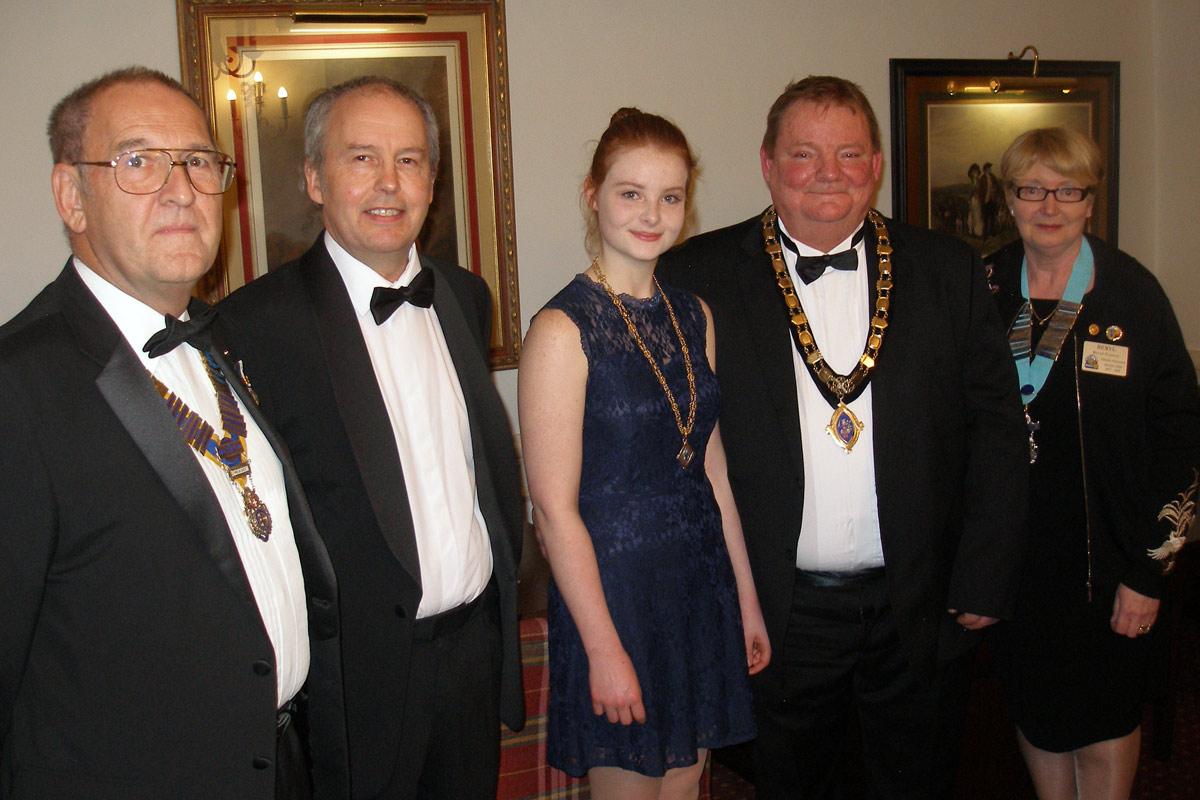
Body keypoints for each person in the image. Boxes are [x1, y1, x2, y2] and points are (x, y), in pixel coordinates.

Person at [658, 75, 1029, 798]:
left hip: (919, 603)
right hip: (778, 609)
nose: (829, 173)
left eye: (850, 154)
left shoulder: (947, 270)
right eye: (804, 154)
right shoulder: (696, 275)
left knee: (917, 780)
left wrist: (985, 571)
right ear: (767, 163)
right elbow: (674, 453)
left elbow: (996, 431)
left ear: (877, 165)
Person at [0, 67, 348, 800]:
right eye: (138, 161)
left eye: (197, 161)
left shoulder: (217, 341)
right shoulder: (18, 386)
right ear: (72, 197)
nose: (181, 188)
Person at [216, 76, 524, 800]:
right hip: (354, 683)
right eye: (361, 158)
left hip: (471, 658)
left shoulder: (463, 295)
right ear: (315, 179)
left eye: (410, 160)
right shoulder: (253, 327)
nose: (390, 183)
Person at [520, 108, 769, 800]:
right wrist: (603, 650)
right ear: (592, 194)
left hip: (698, 590)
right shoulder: (562, 329)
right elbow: (553, 510)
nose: (651, 213)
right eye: (631, 193)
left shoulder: (696, 314)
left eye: (670, 196)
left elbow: (712, 471)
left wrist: (745, 601)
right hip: (617, 600)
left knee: (689, 786)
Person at [985, 126, 1200, 800]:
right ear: (1009, 199)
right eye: (1031, 189)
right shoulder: (982, 287)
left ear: (1089, 199)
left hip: (1109, 564)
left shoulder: (1131, 295)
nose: (1049, 205)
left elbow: (1180, 442)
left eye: (1067, 190)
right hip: (1016, 566)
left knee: (1104, 724)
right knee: (1037, 716)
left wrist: (1149, 573)